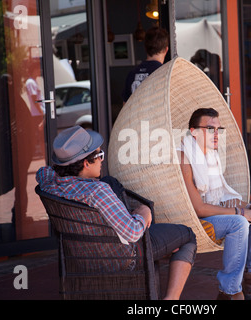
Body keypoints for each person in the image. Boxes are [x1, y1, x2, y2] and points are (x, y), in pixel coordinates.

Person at [36, 126, 196, 300]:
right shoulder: (97, 191)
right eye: (99, 156)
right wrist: (144, 213)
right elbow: (133, 232)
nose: (102, 160)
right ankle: (171, 299)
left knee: (110, 180)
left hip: (80, 256)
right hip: (123, 257)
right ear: (86, 163)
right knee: (188, 235)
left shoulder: (49, 183)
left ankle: (155, 239)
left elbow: (43, 171)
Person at [178, 108, 251, 300]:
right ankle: (230, 291)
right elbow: (198, 209)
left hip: (213, 214)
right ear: (193, 131)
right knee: (239, 222)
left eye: (219, 129)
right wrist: (240, 212)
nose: (216, 134)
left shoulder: (211, 156)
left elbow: (221, 196)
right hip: (194, 221)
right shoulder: (184, 157)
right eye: (210, 128)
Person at [122, 27, 169, 104]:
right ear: (166, 49)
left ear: (145, 48)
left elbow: (125, 108)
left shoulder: (132, 74)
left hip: (136, 115)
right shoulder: (166, 74)